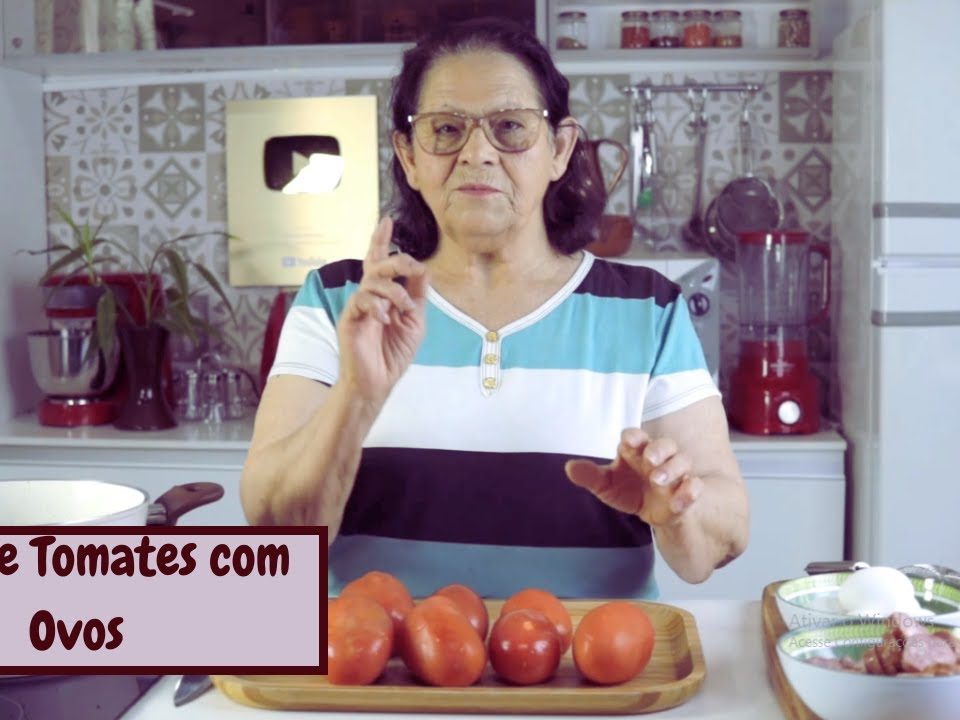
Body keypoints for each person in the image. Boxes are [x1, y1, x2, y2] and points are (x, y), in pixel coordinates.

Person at [240, 17, 749, 599]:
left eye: (510, 127)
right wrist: (357, 396)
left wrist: (675, 510)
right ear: (408, 156)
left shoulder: (649, 310)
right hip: (380, 671)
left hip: (589, 676)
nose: (477, 153)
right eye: (446, 129)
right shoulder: (338, 303)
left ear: (558, 149)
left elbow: (726, 532)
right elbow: (276, 531)